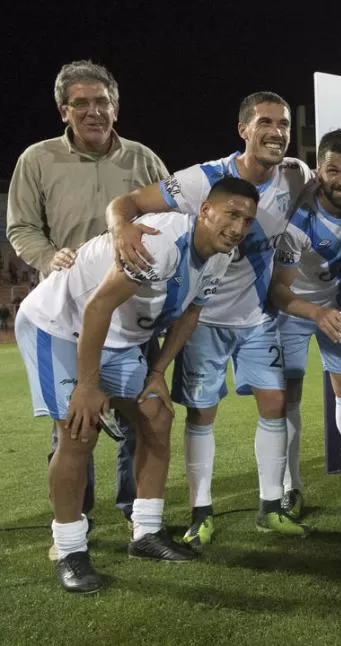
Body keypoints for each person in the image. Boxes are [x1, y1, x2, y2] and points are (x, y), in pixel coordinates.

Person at [15, 176, 258, 592]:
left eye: (247, 220)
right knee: (79, 431)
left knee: (157, 416)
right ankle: (71, 550)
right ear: (204, 211)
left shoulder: (220, 255)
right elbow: (97, 307)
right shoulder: (160, 243)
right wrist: (88, 386)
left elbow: (189, 317)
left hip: (119, 337)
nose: (237, 227)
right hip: (59, 325)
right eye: (231, 214)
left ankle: (145, 533)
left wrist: (157, 372)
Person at [107, 91, 314, 549]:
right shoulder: (202, 181)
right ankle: (201, 513)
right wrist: (120, 229)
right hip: (201, 319)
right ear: (243, 129)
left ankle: (270, 507)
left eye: (283, 123)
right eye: (265, 122)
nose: (276, 131)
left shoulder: (296, 175)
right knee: (201, 413)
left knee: (275, 405)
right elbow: (128, 204)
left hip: (257, 317)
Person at [6, 60, 168, 540]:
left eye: (102, 102)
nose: (94, 111)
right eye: (82, 103)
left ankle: (134, 508)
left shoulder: (143, 158)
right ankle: (77, 516)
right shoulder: (37, 160)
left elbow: (171, 215)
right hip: (70, 310)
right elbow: (20, 227)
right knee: (76, 424)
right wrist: (49, 257)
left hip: (134, 310)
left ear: (115, 107)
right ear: (63, 111)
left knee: (140, 414)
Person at [272, 129, 341, 512]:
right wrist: (315, 312)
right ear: (318, 171)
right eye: (333, 170)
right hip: (292, 306)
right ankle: (292, 486)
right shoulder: (299, 216)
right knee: (289, 397)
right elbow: (280, 290)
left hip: (340, 303)